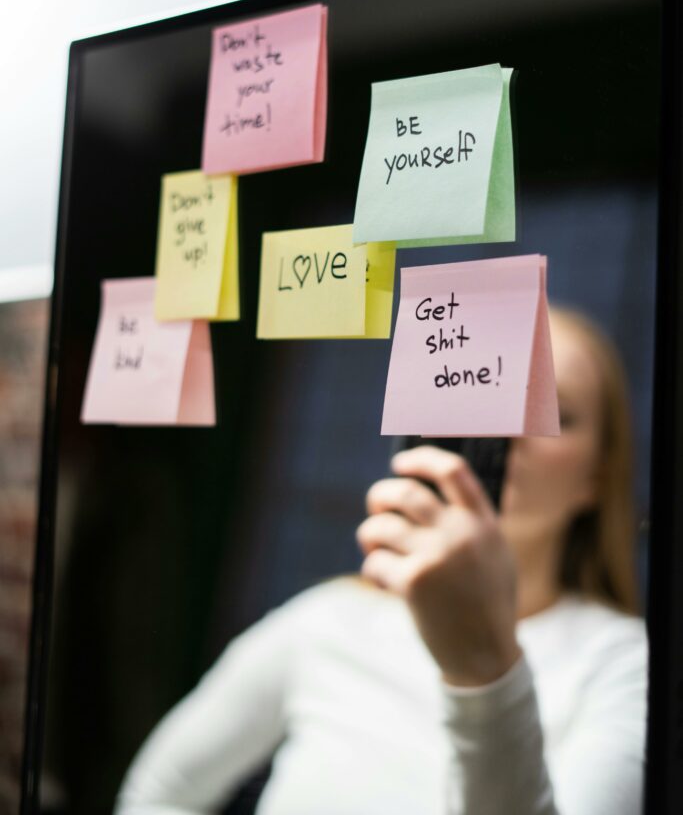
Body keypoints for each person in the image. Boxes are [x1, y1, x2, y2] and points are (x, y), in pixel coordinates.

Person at [115, 307, 647, 815]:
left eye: (554, 411)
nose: (507, 430)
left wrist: (486, 674)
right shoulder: (329, 620)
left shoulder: (625, 666)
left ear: (598, 475)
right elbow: (156, 794)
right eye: (492, 389)